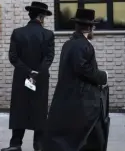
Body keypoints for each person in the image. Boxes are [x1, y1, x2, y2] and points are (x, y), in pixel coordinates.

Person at [44, 8, 108, 151]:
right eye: (93, 27)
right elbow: (83, 69)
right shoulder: (83, 45)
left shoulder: (69, 44)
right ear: (90, 27)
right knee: (86, 138)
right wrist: (103, 76)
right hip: (83, 101)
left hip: (71, 98)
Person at [1, 1, 55, 151]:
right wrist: (37, 72)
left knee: (20, 108)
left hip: (22, 77)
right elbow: (49, 57)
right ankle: (39, 145)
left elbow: (13, 57)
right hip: (40, 78)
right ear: (41, 17)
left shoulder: (18, 32)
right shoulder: (48, 34)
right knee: (40, 109)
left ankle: (15, 144)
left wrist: (28, 72)